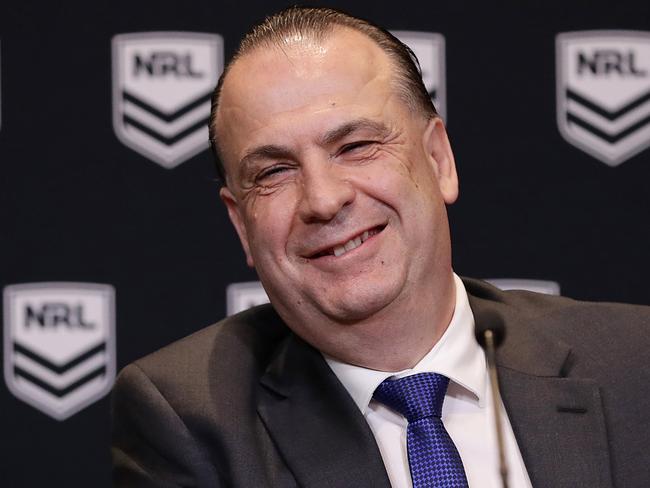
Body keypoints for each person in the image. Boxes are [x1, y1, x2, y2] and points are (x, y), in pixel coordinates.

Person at [111, 7, 650, 487]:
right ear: (240, 224)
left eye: (356, 146)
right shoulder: (190, 421)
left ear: (439, 160)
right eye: (274, 171)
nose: (323, 199)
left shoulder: (634, 362)